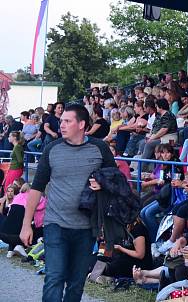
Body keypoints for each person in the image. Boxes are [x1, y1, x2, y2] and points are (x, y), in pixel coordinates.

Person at [20, 104, 117, 302]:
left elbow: (116, 180)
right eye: (61, 121)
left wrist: (103, 184)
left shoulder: (99, 148)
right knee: (54, 277)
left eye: (67, 121)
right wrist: (25, 225)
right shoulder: (52, 149)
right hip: (55, 224)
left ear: (81, 124)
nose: (61, 125)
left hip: (86, 227)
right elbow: (37, 187)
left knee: (76, 281)